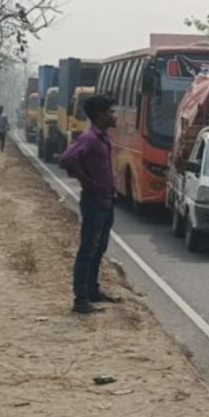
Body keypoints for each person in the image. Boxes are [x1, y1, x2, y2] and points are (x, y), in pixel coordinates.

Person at [59, 95, 120, 315]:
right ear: (101, 115)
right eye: (111, 112)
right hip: (94, 201)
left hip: (106, 201)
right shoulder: (90, 139)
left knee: (99, 248)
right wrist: (88, 180)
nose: (114, 116)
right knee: (87, 249)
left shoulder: (103, 138)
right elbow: (66, 159)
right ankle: (81, 298)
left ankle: (93, 290)